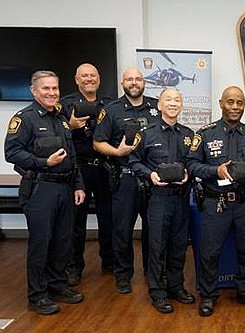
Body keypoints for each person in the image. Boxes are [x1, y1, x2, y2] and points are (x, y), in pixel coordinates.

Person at [4, 70, 86, 315]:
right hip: (40, 188)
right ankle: (37, 296)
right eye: (46, 89)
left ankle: (57, 286)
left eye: (55, 89)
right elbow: (12, 153)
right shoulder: (25, 118)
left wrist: (79, 184)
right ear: (33, 90)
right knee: (42, 243)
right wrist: (43, 162)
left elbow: (71, 155)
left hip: (65, 187)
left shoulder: (61, 117)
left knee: (63, 242)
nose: (52, 93)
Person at [186, 86, 245, 317]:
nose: (234, 107)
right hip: (215, 202)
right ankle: (209, 295)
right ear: (221, 103)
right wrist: (215, 171)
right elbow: (191, 165)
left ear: (243, 105)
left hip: (244, 202)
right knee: (210, 252)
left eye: (239, 103)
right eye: (230, 102)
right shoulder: (205, 134)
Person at [93, 67, 159, 294]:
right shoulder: (111, 110)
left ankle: (153, 273)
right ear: (123, 84)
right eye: (129, 79)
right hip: (124, 179)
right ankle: (123, 275)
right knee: (121, 231)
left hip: (152, 180)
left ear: (144, 83)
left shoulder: (157, 107)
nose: (134, 83)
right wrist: (117, 152)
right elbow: (97, 142)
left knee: (153, 230)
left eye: (138, 79)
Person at [129, 88, 196, 313]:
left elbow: (194, 162)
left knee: (178, 246)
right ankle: (157, 291)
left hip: (181, 198)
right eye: (169, 99)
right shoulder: (146, 133)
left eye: (178, 100)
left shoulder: (188, 134)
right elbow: (133, 161)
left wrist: (188, 174)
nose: (173, 103)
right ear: (159, 105)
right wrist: (150, 175)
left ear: (181, 105)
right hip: (158, 198)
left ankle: (176, 287)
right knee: (157, 246)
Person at [59, 63, 114, 286]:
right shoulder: (64, 105)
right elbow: (56, 136)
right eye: (85, 76)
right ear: (77, 79)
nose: (89, 79)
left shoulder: (110, 104)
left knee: (109, 218)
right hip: (78, 170)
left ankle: (110, 262)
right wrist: (70, 127)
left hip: (105, 167)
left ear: (99, 79)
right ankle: (74, 267)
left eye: (93, 75)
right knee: (76, 221)